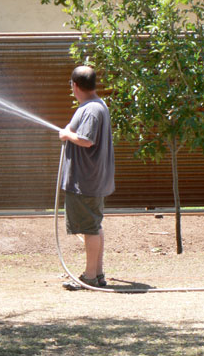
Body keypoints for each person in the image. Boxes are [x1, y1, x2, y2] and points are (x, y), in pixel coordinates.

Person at [59, 65, 115, 288]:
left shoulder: (91, 110)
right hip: (92, 179)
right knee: (94, 225)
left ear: (74, 86)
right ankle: (98, 275)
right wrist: (70, 131)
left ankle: (90, 276)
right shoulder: (95, 105)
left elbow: (86, 140)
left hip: (86, 181)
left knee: (90, 228)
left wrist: (67, 135)